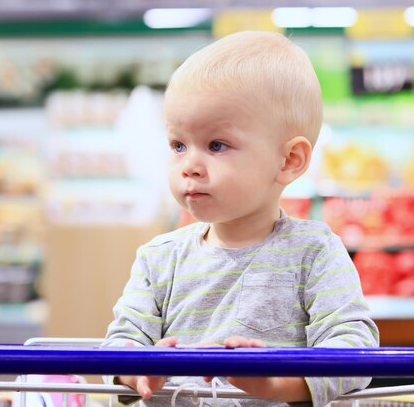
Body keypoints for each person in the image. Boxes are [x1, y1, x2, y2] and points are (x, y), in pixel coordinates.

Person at [102, 30, 379, 407]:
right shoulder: (159, 258)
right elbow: (121, 341)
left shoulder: (313, 252)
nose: (189, 166)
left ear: (289, 160)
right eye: (178, 145)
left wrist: (279, 383)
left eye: (217, 145)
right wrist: (136, 371)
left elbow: (354, 348)